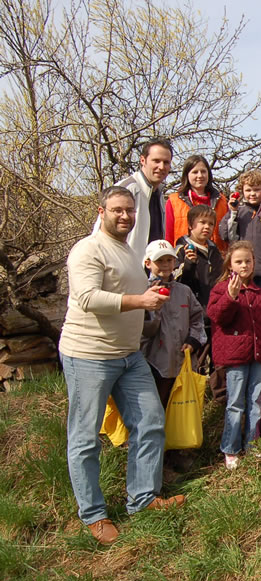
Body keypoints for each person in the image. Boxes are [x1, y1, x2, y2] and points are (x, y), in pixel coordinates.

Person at [61, 186, 185, 546]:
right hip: (89, 355)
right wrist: (140, 301)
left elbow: (131, 300)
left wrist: (151, 305)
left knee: (150, 421)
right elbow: (87, 298)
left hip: (129, 356)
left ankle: (142, 498)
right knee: (85, 437)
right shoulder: (88, 250)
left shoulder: (130, 251)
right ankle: (93, 514)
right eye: (117, 210)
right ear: (101, 212)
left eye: (130, 210)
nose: (125, 216)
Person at [206, 241, 261, 469]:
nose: (244, 265)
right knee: (236, 403)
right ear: (230, 265)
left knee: (255, 401)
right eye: (238, 261)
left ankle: (252, 445)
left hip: (259, 355)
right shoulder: (221, 289)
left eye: (248, 261)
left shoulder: (259, 293)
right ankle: (230, 448)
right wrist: (230, 296)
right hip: (235, 357)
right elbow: (217, 317)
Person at [140, 240, 206, 407]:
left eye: (169, 260)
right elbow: (146, 330)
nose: (165, 265)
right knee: (154, 409)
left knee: (178, 411)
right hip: (153, 363)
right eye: (159, 261)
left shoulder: (184, 291)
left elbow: (197, 319)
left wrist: (193, 340)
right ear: (148, 263)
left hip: (181, 363)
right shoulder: (142, 291)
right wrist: (154, 307)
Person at [100, 138, 173, 254]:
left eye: (166, 162)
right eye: (156, 161)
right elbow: (101, 234)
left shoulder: (159, 195)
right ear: (143, 160)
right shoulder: (127, 190)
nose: (161, 167)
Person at [219, 169, 261, 299]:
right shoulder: (239, 212)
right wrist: (233, 212)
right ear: (242, 191)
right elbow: (225, 235)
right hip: (242, 272)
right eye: (248, 190)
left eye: (257, 190)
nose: (252, 194)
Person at [165, 155, 229, 252]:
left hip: (217, 257)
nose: (200, 175)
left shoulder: (222, 201)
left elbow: (228, 234)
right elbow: (168, 236)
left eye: (203, 171)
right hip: (185, 256)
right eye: (195, 172)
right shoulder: (174, 201)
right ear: (187, 175)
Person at [174, 204, 224, 309]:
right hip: (190, 308)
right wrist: (189, 264)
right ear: (190, 225)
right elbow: (176, 282)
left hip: (213, 307)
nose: (207, 227)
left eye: (211, 224)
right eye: (202, 222)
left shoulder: (214, 251)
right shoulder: (181, 250)